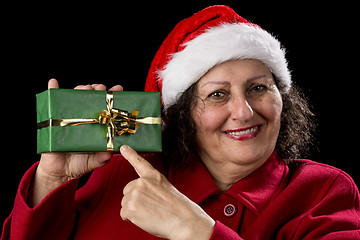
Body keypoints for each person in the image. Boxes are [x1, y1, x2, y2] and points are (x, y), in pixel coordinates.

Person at [1, 5, 359, 240]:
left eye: (259, 88)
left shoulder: (323, 191)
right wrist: (52, 180)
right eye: (218, 94)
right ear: (183, 114)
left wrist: (197, 230)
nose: (245, 111)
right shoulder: (122, 174)